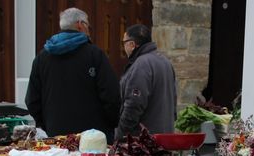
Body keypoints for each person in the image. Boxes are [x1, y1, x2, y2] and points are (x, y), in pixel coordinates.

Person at [25, 8, 120, 137]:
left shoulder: (42, 57)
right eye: (88, 26)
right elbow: (111, 95)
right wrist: (111, 124)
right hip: (93, 137)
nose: (89, 30)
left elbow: (31, 100)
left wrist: (47, 123)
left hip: (56, 135)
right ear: (80, 25)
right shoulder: (95, 55)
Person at [115, 24, 177, 140]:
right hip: (165, 137)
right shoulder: (165, 62)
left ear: (132, 44)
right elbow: (174, 101)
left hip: (145, 143)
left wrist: (120, 134)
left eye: (124, 43)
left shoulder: (141, 65)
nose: (123, 47)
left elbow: (134, 105)